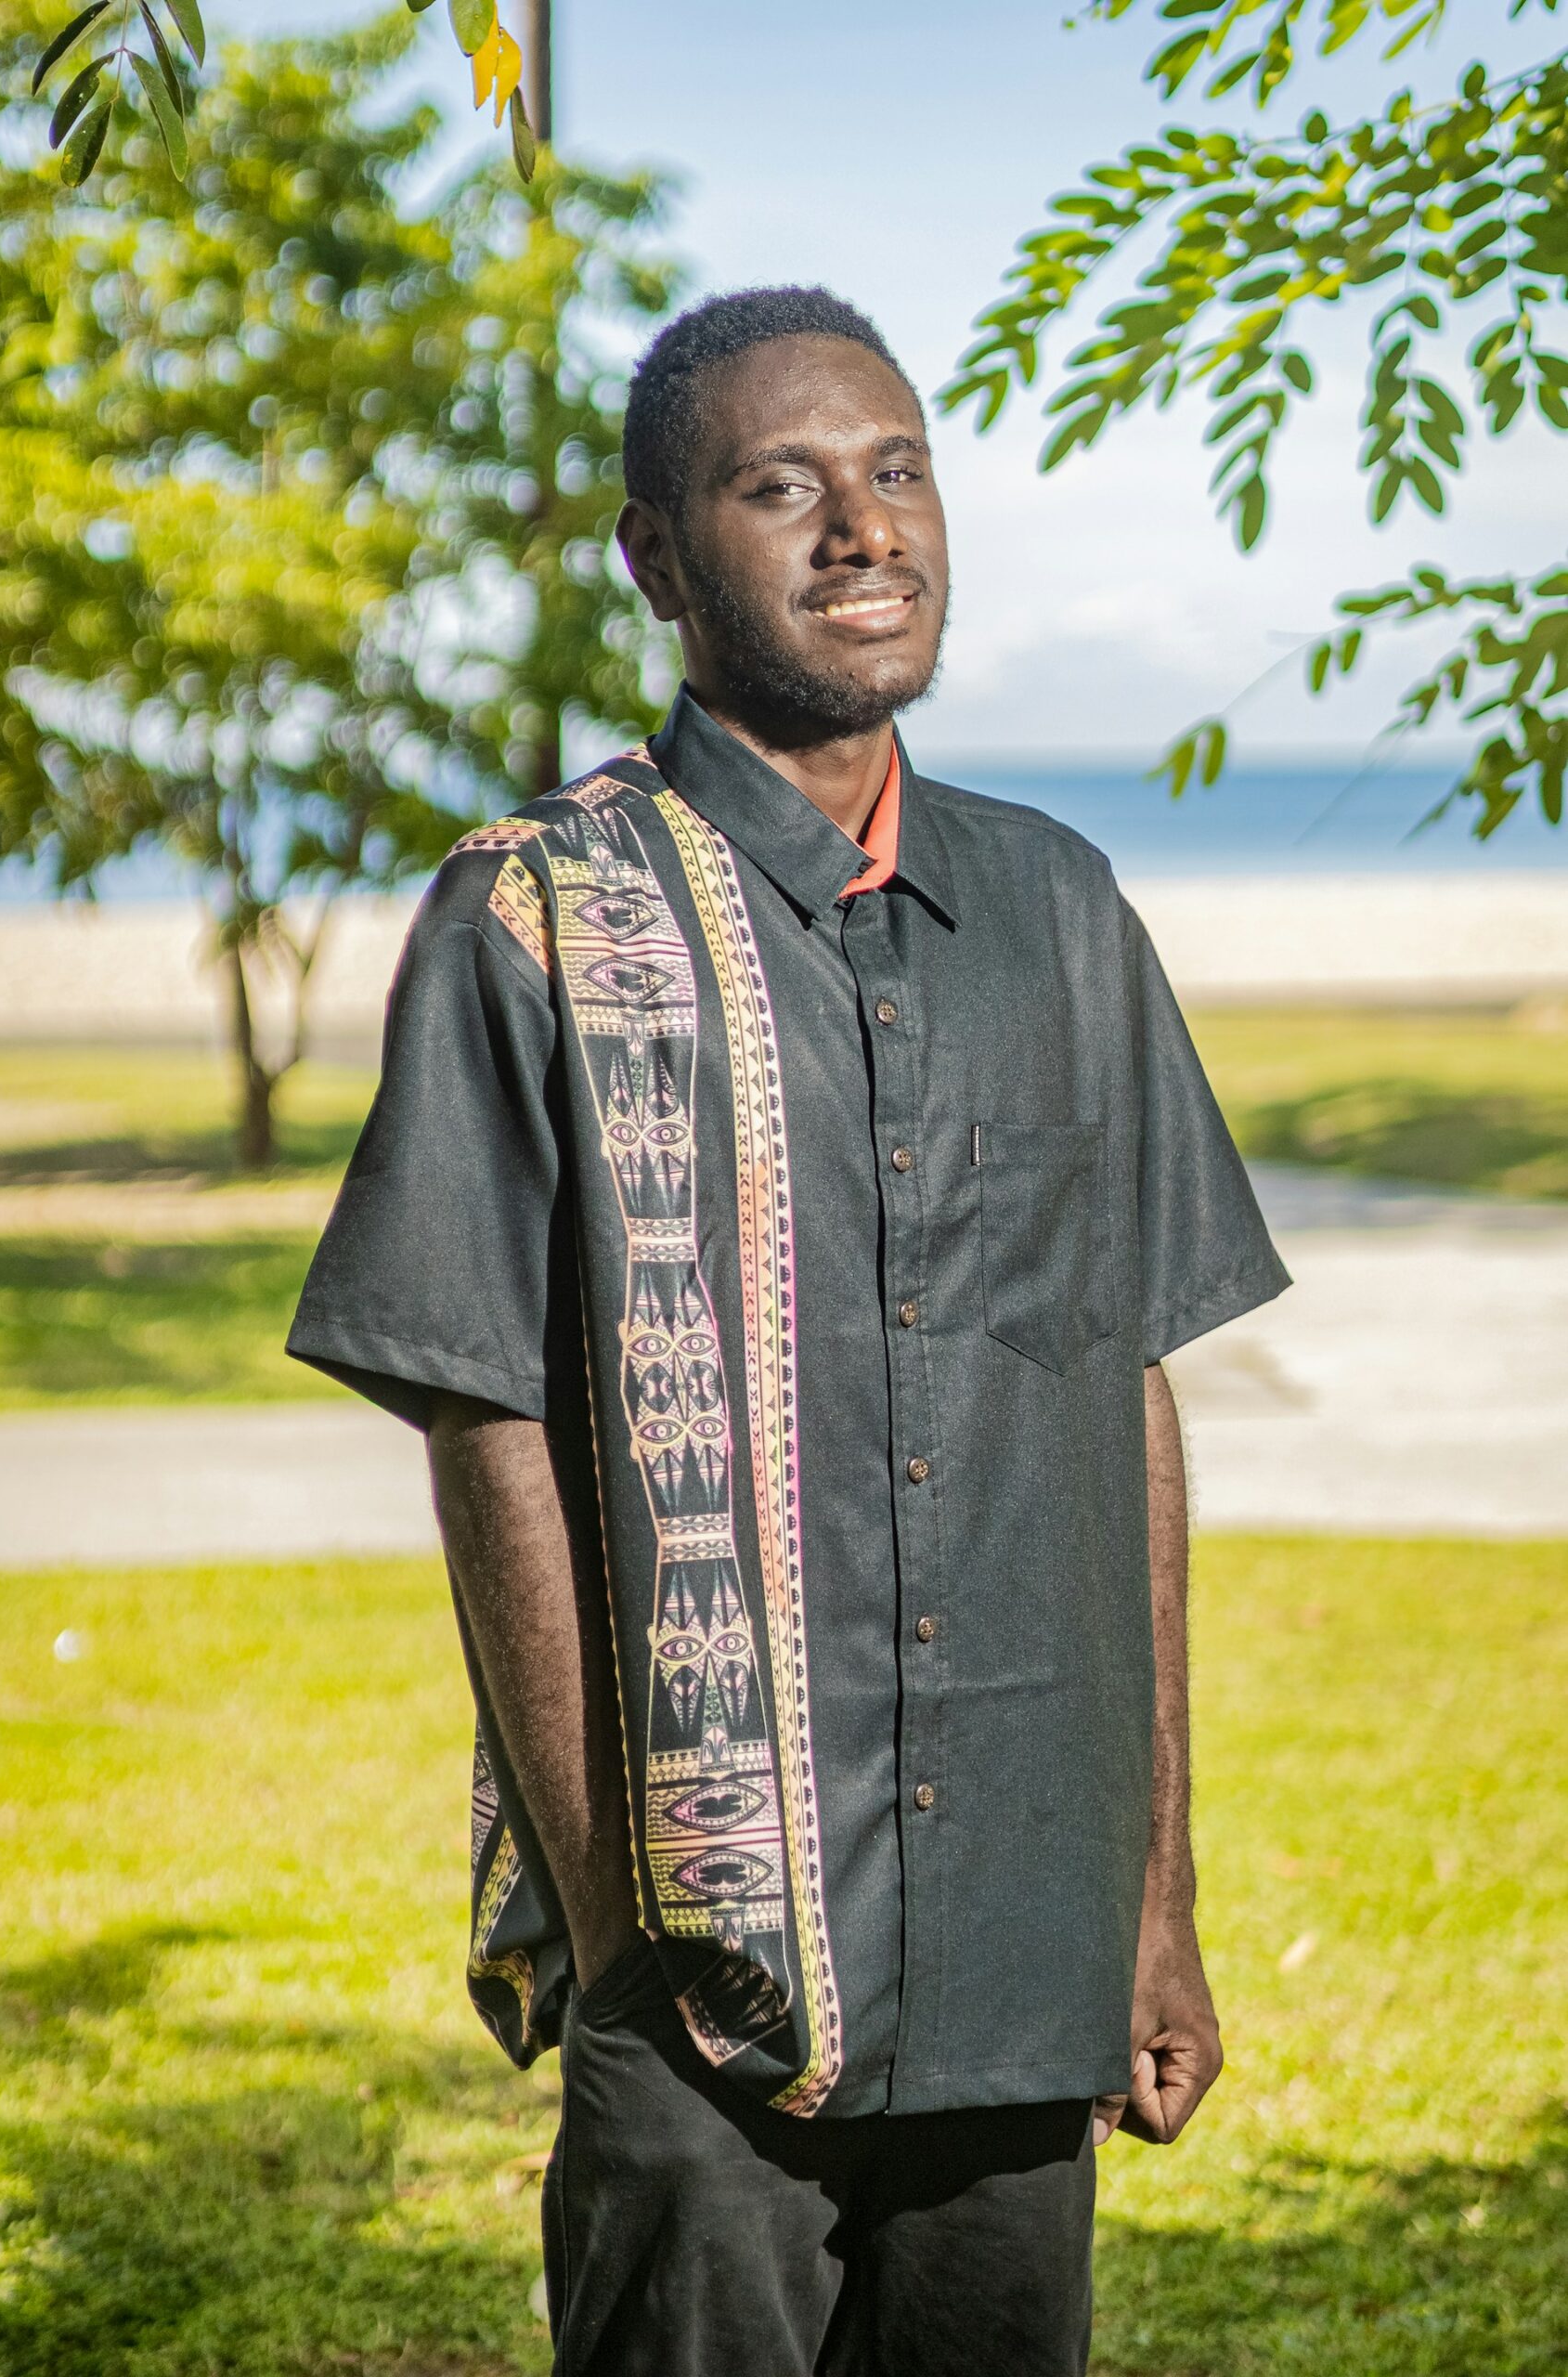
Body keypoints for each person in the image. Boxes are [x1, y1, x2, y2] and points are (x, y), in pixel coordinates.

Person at [288, 284, 1290, 2377]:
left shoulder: (1062, 913)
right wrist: (618, 1928)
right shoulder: (537, 918)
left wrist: (1151, 1896)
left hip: (1024, 1951)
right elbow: (484, 1425)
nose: (863, 528)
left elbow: (1121, 1392)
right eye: (783, 485)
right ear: (658, 560)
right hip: (706, 1982)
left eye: (896, 470)